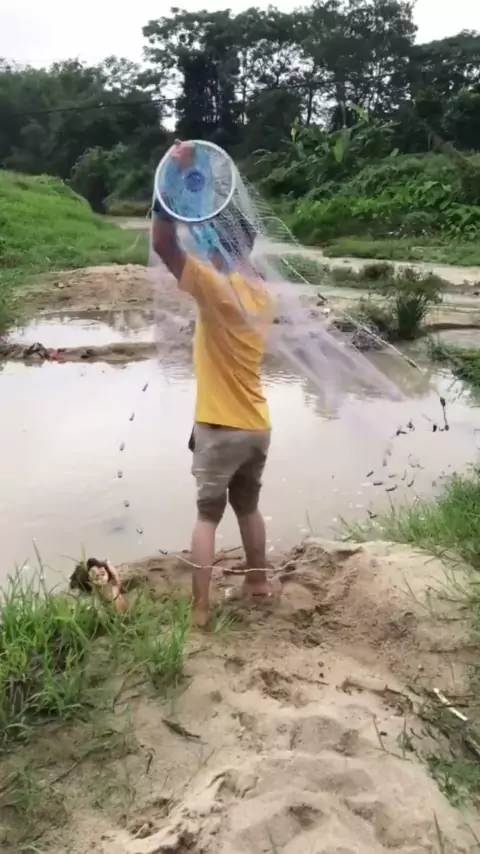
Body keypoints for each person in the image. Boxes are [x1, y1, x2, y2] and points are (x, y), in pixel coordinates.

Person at [152, 140, 273, 628]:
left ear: (215, 241)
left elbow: (164, 245)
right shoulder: (261, 294)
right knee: (249, 509)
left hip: (218, 427)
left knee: (207, 516)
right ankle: (258, 583)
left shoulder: (214, 287)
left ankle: (201, 610)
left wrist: (167, 188)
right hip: (257, 426)